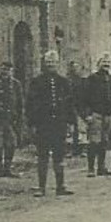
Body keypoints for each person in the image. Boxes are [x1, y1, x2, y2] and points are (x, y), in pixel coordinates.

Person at [26, 50, 76, 197]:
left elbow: (69, 104)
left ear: (57, 64)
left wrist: (70, 122)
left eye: (53, 63)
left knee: (59, 156)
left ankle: (60, 186)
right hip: (43, 125)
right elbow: (31, 104)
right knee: (42, 156)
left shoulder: (63, 82)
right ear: (44, 64)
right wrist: (32, 124)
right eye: (48, 63)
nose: (50, 65)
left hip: (59, 124)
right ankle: (41, 187)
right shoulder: (37, 82)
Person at [0, 62, 24, 178]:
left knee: (11, 144)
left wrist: (19, 117)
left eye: (8, 70)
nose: (5, 72)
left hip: (11, 119)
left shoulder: (16, 85)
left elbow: (20, 102)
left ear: (11, 71)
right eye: (3, 69)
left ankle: (7, 168)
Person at [80, 57, 111, 178]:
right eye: (103, 62)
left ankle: (101, 167)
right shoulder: (92, 79)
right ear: (98, 64)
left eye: (108, 63)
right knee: (94, 142)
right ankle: (91, 168)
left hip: (108, 115)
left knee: (104, 142)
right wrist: (87, 115)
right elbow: (83, 98)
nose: (106, 65)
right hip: (95, 114)